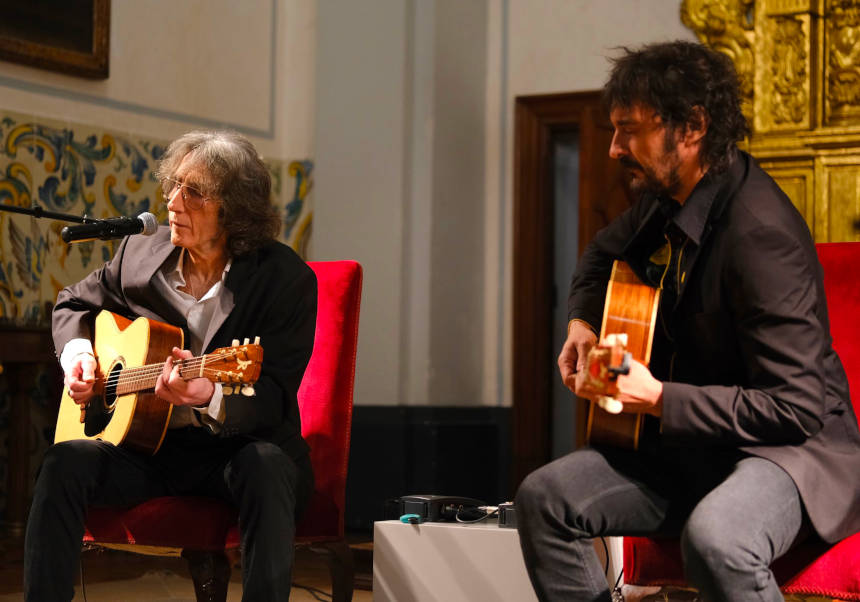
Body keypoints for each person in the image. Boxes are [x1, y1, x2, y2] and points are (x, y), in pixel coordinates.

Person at [515, 41, 860, 601]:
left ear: (692, 127)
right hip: (691, 448)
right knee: (545, 497)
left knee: (718, 539)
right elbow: (602, 256)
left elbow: (796, 407)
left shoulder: (759, 234)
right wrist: (581, 323)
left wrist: (656, 397)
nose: (613, 148)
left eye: (630, 130)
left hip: (789, 457)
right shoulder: (667, 197)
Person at [24, 130, 317, 601]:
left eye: (194, 192)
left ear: (234, 210)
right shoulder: (139, 254)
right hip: (147, 450)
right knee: (62, 463)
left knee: (267, 467)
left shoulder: (285, 280)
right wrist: (79, 357)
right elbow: (72, 302)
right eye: (174, 185)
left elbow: (277, 396)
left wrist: (210, 395)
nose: (173, 202)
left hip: (234, 450)